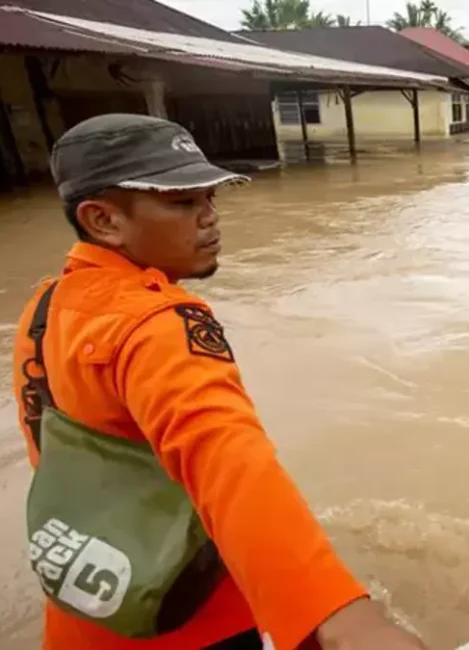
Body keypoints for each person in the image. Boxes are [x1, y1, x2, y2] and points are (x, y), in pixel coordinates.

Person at [11, 114, 425, 650]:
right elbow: (227, 460)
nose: (211, 219)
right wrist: (342, 616)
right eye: (183, 204)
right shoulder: (159, 323)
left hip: (87, 611)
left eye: (210, 198)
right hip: (191, 622)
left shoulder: (44, 308)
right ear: (103, 220)